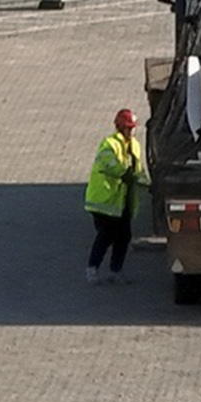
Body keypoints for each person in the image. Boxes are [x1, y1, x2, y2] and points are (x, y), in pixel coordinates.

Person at [82, 104, 142, 275]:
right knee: (107, 235)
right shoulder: (109, 144)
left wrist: (149, 184)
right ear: (120, 128)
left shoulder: (135, 146)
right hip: (104, 202)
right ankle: (92, 268)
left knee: (124, 236)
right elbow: (108, 163)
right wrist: (124, 173)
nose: (131, 132)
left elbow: (138, 171)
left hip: (121, 202)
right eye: (128, 128)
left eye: (132, 129)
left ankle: (116, 271)